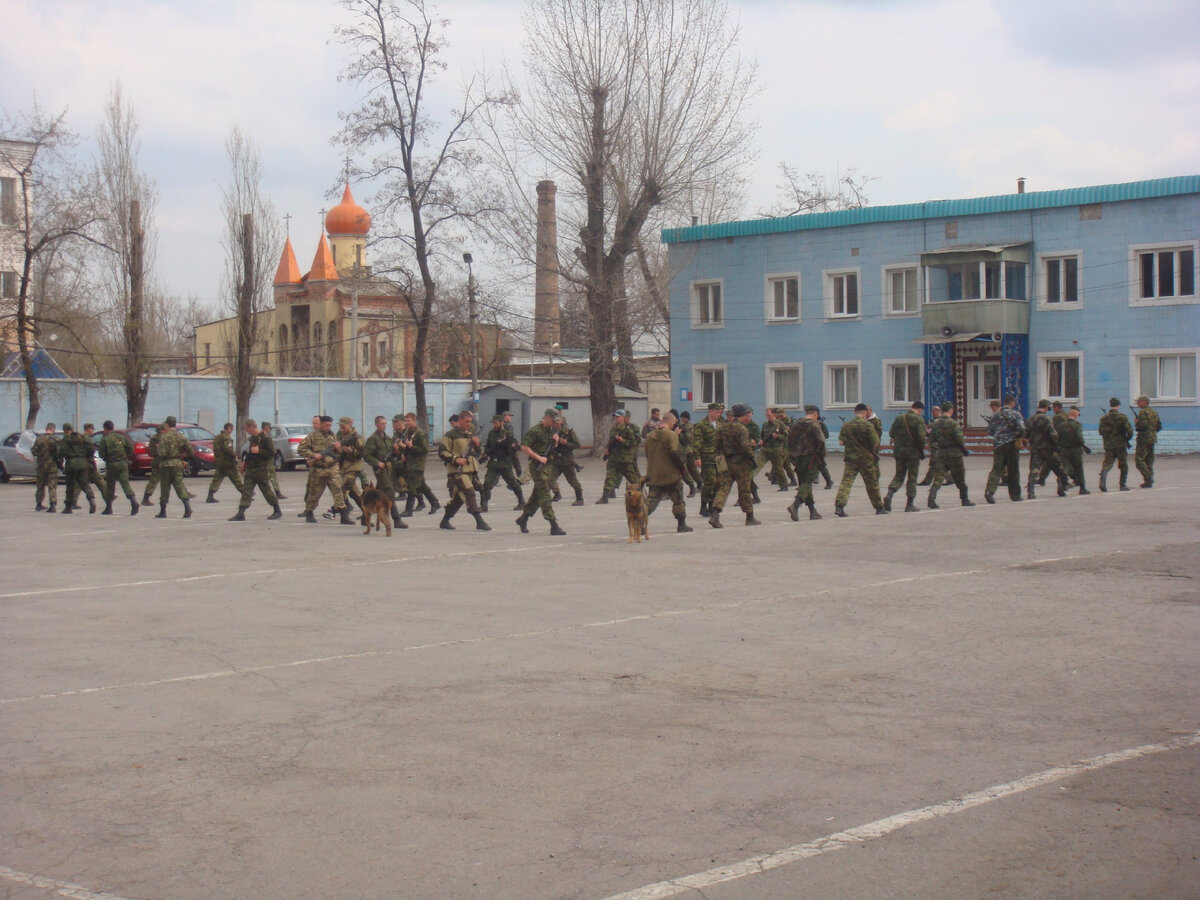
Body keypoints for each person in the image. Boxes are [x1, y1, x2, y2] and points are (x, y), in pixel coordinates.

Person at [436, 409, 490, 530]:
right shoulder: (451, 435)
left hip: (470, 470)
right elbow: (442, 452)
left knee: (459, 498)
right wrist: (455, 459)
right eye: (466, 421)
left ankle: (445, 521)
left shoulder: (470, 435)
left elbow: (477, 453)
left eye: (470, 421)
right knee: (469, 492)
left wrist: (477, 445)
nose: (468, 424)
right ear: (459, 420)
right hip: (457, 471)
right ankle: (479, 520)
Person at [515, 409, 566, 535]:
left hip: (547, 466)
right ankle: (553, 524)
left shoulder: (551, 431)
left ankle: (523, 518)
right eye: (553, 420)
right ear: (547, 418)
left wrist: (555, 442)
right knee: (545, 495)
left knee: (537, 495)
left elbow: (551, 448)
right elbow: (524, 447)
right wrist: (539, 458)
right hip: (537, 466)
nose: (555, 423)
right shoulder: (535, 431)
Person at [708, 404, 760, 528]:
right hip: (741, 463)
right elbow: (745, 447)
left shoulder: (723, 428)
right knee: (744, 490)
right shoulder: (742, 429)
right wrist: (752, 458)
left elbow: (717, 445)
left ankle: (715, 514)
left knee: (723, 489)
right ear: (742, 415)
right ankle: (749, 516)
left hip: (727, 461)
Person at [643, 411, 692, 532]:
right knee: (678, 499)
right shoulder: (671, 435)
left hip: (654, 473)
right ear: (670, 422)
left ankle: (639, 521)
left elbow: (647, 454)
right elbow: (675, 453)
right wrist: (682, 467)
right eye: (674, 423)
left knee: (651, 500)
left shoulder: (650, 436)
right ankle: (681, 524)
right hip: (670, 474)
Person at [298, 416, 352, 524]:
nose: (328, 427)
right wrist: (313, 455)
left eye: (330, 425)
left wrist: (338, 449)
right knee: (314, 493)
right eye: (326, 425)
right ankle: (309, 513)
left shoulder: (333, 436)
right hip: (318, 469)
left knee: (338, 492)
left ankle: (343, 516)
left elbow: (339, 453)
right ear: (321, 424)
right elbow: (301, 449)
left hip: (332, 468)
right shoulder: (312, 436)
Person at [834, 404, 885, 517]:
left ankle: (839, 506)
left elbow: (841, 443)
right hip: (866, 460)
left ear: (854, 412)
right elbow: (875, 442)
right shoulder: (868, 425)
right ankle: (879, 507)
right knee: (872, 483)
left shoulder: (847, 425)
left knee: (846, 483)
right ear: (865, 412)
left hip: (851, 459)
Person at [228, 419, 283, 521]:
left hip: (261, 469)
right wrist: (244, 464)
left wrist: (259, 451)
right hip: (251, 470)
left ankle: (277, 510)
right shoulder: (253, 438)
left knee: (266, 491)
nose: (246, 431)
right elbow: (251, 453)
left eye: (246, 428)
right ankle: (241, 513)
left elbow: (271, 453)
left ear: (251, 427)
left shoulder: (266, 437)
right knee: (246, 492)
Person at [926, 402, 974, 509]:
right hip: (955, 454)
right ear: (951, 411)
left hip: (942, 453)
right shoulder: (954, 424)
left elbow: (931, 439)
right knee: (960, 477)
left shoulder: (935, 424)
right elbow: (960, 440)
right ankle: (964, 499)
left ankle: (931, 498)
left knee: (938, 477)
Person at [363, 415, 405, 527]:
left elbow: (393, 454)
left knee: (379, 492)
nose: (384, 426)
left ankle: (364, 516)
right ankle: (397, 519)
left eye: (385, 423)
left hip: (389, 468)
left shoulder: (387, 438)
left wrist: (396, 450)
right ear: (376, 424)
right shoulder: (373, 439)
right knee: (390, 492)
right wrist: (377, 463)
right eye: (382, 424)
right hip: (380, 470)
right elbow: (367, 455)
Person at [885, 400, 926, 512]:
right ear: (919, 409)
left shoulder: (899, 418)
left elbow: (891, 433)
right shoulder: (919, 419)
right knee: (912, 477)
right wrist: (921, 449)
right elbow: (922, 438)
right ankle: (910, 504)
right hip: (913, 454)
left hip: (899, 452)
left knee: (899, 476)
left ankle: (890, 493)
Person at [786, 405, 825, 521]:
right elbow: (821, 441)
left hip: (797, 458)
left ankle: (812, 511)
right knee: (807, 483)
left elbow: (789, 442)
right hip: (811, 457)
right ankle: (795, 504)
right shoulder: (814, 425)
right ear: (816, 414)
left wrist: (792, 456)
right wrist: (821, 456)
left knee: (804, 484)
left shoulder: (795, 425)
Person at [983, 396, 1025, 504]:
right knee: (1013, 470)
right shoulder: (1015, 414)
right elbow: (1022, 429)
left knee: (996, 470)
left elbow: (990, 431)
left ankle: (989, 491)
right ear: (1012, 403)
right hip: (1011, 445)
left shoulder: (995, 415)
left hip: (998, 445)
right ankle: (1015, 495)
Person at [1025, 399, 1069, 499]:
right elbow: (1053, 434)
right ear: (1046, 407)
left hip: (1035, 448)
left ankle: (1030, 492)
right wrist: (1057, 444)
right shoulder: (1047, 418)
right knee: (1057, 467)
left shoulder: (1031, 419)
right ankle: (1064, 484)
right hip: (1047, 448)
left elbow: (1026, 433)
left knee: (1034, 469)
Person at [481, 414, 524, 512]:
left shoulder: (507, 434)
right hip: (493, 463)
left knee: (513, 483)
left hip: (505, 464)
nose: (494, 425)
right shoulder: (491, 433)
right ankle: (484, 505)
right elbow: (488, 446)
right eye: (493, 423)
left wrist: (517, 467)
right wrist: (486, 453)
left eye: (496, 423)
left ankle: (521, 502)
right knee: (487, 483)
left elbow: (512, 450)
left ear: (501, 423)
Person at [401, 412, 441, 516]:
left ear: (414, 421)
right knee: (421, 486)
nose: (406, 423)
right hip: (410, 463)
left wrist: (411, 447)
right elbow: (406, 447)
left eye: (408, 420)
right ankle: (435, 503)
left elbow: (424, 450)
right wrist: (404, 452)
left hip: (417, 464)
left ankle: (408, 510)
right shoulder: (407, 433)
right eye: (405, 421)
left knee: (411, 487)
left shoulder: (420, 434)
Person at [597, 409, 641, 503]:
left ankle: (641, 494)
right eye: (615, 417)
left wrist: (622, 441)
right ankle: (605, 497)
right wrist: (608, 450)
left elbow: (633, 443)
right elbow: (611, 442)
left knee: (632, 478)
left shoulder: (628, 429)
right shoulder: (614, 429)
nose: (616, 418)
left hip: (624, 459)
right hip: (614, 458)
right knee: (609, 477)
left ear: (623, 417)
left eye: (618, 417)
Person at [153, 416, 194, 518]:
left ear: (167, 424)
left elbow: (162, 453)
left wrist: (158, 448)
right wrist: (182, 454)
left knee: (165, 488)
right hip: (177, 464)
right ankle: (187, 507)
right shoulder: (181, 437)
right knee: (179, 486)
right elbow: (191, 451)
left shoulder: (164, 437)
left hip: (166, 465)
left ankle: (163, 511)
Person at [98, 420, 139, 515]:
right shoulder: (121, 437)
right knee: (125, 484)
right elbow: (131, 449)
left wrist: (107, 458)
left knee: (110, 486)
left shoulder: (105, 439)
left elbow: (102, 453)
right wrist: (125, 456)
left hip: (112, 464)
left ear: (105, 428)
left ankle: (109, 508)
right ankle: (133, 501)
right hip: (123, 463)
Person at [692, 403, 723, 516]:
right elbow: (696, 443)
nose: (718, 414)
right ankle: (703, 505)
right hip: (707, 458)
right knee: (710, 481)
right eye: (716, 412)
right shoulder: (701, 425)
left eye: (720, 412)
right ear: (710, 411)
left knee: (719, 482)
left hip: (718, 458)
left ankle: (712, 505)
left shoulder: (720, 425)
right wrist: (697, 457)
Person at [57, 424, 97, 514]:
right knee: (84, 483)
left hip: (71, 463)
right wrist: (88, 457)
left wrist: (60, 462)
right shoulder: (82, 437)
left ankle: (68, 507)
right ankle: (91, 499)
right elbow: (91, 447)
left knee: (70, 486)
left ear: (65, 430)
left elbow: (61, 451)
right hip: (83, 462)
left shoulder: (67, 439)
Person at [1097, 397, 1133, 492]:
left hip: (1109, 445)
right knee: (1123, 465)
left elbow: (1101, 432)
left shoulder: (1104, 418)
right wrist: (1127, 439)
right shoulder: (1122, 417)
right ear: (1118, 405)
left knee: (1107, 464)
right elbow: (1130, 431)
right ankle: (1122, 485)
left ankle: (1102, 482)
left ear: (1110, 405)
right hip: (1121, 445)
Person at [549, 412, 585, 506]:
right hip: (556, 460)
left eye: (556, 423)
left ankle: (580, 498)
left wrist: (566, 443)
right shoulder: (552, 432)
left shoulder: (569, 432)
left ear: (560, 424)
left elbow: (577, 445)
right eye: (554, 423)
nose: (554, 425)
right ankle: (543, 499)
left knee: (572, 480)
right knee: (549, 479)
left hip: (567, 460)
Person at [206, 422, 244, 504]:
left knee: (217, 479)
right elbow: (228, 449)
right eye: (232, 429)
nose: (232, 431)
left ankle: (210, 495)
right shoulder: (226, 437)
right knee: (236, 478)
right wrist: (235, 455)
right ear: (229, 428)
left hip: (219, 462)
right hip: (228, 462)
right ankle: (245, 494)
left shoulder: (217, 437)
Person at [1057, 406, 1090, 495]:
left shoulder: (1061, 426)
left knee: (1064, 468)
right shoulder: (1077, 425)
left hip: (1064, 450)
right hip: (1075, 450)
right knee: (1079, 468)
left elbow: (1057, 438)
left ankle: (1061, 483)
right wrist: (1084, 446)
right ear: (1075, 415)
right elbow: (1079, 438)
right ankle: (1082, 488)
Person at [1133, 394, 1161, 487]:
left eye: (1139, 401)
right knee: (1149, 459)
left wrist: (1137, 423)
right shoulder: (1154, 412)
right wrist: (1152, 432)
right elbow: (1159, 426)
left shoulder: (1143, 412)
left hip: (1143, 439)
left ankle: (1148, 477)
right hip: (1152, 438)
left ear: (1144, 402)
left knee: (1139, 460)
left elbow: (1143, 425)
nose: (1137, 403)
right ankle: (1150, 479)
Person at [760, 407, 791, 491]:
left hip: (777, 450)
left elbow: (785, 436)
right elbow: (761, 436)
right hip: (765, 449)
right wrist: (760, 441)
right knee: (757, 464)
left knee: (778, 468)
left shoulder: (780, 424)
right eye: (766, 415)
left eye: (769, 415)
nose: (767, 416)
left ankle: (784, 485)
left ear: (774, 414)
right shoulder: (765, 425)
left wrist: (777, 436)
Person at [33, 423, 59, 512]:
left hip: (41, 466)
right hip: (52, 467)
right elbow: (59, 452)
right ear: (53, 429)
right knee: (52, 485)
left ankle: (38, 504)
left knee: (40, 485)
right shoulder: (56, 439)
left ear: (46, 429)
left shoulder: (39, 439)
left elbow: (34, 451)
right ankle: (52, 504)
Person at [676, 410, 702, 496]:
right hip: (683, 450)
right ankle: (697, 484)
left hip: (689, 451)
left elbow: (687, 440)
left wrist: (679, 434)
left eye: (683, 418)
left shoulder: (689, 427)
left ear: (687, 419)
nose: (682, 419)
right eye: (681, 418)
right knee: (688, 469)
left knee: (692, 468)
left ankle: (699, 483)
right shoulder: (681, 426)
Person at [258, 421, 286, 499]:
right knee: (272, 476)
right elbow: (271, 447)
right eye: (269, 428)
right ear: (266, 428)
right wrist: (275, 454)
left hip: (261, 459)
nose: (270, 430)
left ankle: (248, 492)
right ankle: (278, 493)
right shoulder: (266, 436)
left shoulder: (258, 435)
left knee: (260, 477)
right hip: (267, 459)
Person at [140, 423, 164, 507]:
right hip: (162, 461)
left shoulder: (154, 438)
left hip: (156, 460)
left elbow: (150, 452)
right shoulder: (162, 438)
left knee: (153, 481)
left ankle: (146, 497)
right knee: (175, 479)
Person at [81, 424, 107, 499]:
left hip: (82, 463)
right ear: (88, 429)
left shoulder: (80, 438)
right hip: (89, 463)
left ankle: (73, 501)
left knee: (80, 482)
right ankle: (108, 495)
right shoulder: (88, 439)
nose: (93, 431)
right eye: (92, 429)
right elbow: (91, 451)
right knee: (99, 480)